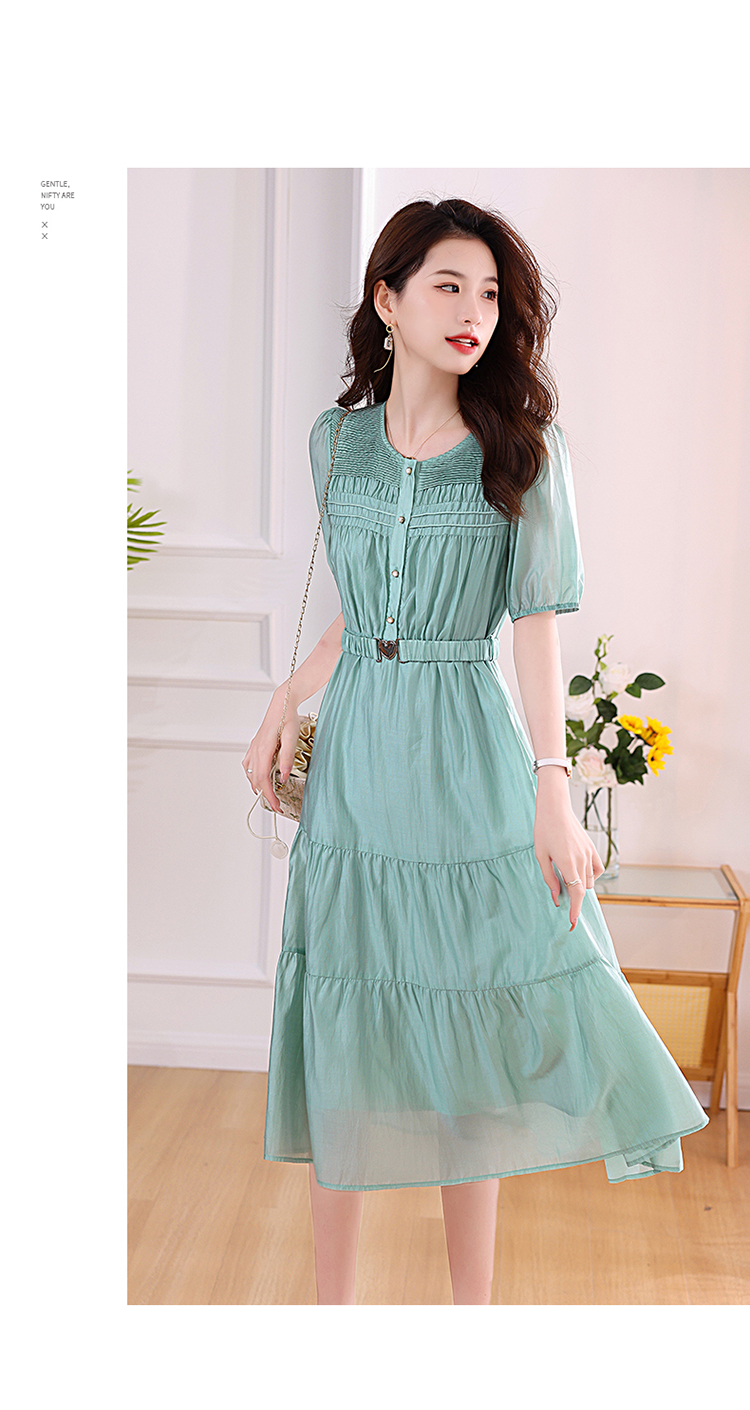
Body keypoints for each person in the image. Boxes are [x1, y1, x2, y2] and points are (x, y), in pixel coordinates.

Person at [242, 197, 709, 1306]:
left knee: (474, 1041)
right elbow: (360, 609)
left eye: (491, 294)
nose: (474, 312)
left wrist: (555, 787)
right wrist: (285, 699)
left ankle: (471, 1324)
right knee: (347, 1029)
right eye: (448, 286)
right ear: (388, 298)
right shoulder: (335, 444)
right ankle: (332, 1318)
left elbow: (536, 627)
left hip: (467, 753)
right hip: (359, 761)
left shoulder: (523, 453)